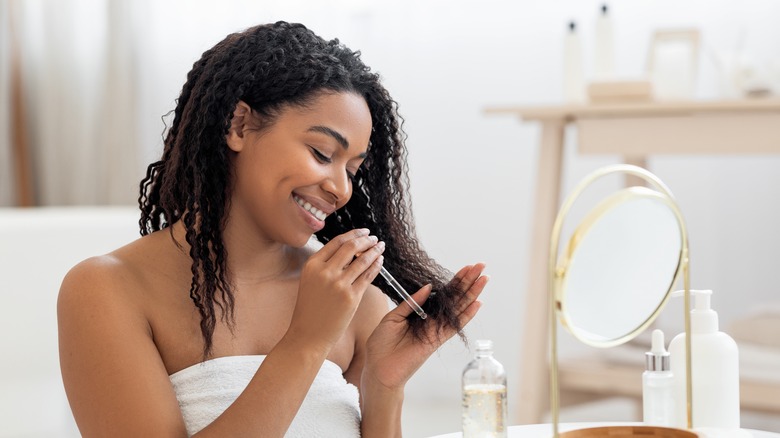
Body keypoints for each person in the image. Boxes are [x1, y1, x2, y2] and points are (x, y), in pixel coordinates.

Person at [58, 21, 488, 437]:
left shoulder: (355, 299)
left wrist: (385, 387)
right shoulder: (106, 290)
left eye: (352, 169)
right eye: (322, 153)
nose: (340, 188)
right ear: (239, 126)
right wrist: (306, 341)